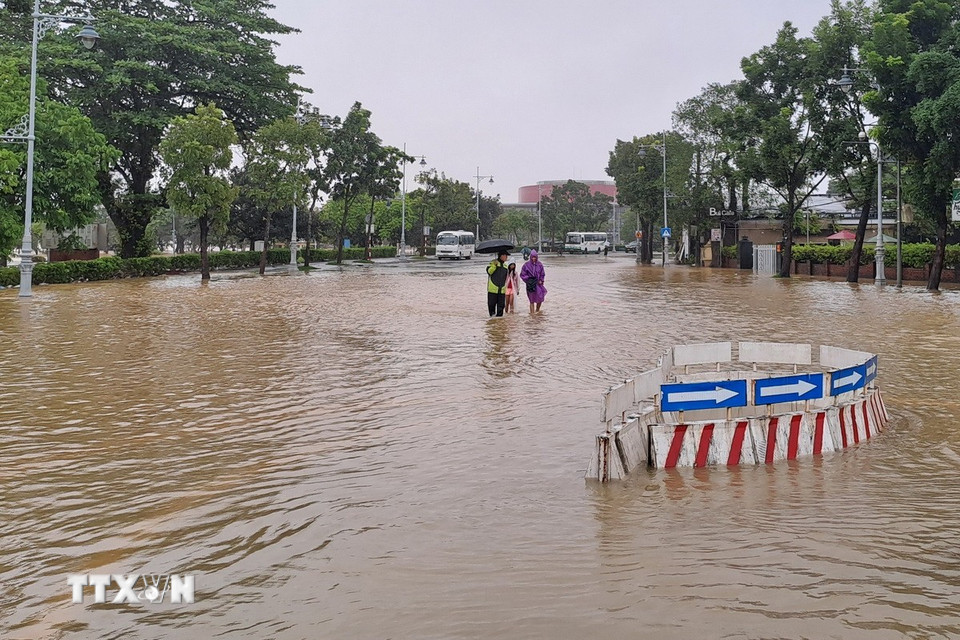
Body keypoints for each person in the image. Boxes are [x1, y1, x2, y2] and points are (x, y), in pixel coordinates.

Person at [519, 249, 547, 313]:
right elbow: (522, 274)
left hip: (538, 283)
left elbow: (542, 274)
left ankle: (537, 310)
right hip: (530, 284)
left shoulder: (540, 265)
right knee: (531, 300)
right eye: (532, 257)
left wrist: (541, 280)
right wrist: (529, 279)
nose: (534, 258)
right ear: (530, 257)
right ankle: (532, 314)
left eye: (535, 257)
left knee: (540, 297)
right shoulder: (526, 265)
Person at [486, 249, 509, 317]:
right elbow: (489, 272)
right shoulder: (493, 263)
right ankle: (492, 319)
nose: (506, 257)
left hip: (501, 290)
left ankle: (499, 322)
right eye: (505, 256)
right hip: (493, 289)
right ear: (501, 256)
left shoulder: (505, 266)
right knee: (491, 305)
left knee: (501, 307)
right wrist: (494, 266)